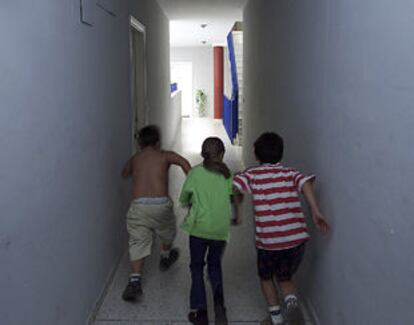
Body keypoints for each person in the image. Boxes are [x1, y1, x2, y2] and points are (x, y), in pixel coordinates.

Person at [233, 132, 330, 325]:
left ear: (256, 155)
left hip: (269, 243)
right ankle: (292, 307)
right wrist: (315, 211)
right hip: (296, 240)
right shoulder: (289, 172)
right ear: (281, 153)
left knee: (267, 278)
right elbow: (306, 183)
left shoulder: (252, 174)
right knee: (285, 278)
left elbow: (234, 186)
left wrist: (236, 201)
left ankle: (276, 318)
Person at [121, 125, 191, 301]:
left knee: (138, 241)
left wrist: (135, 166)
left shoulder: (136, 158)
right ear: (158, 143)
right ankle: (165, 256)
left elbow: (125, 172)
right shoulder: (165, 155)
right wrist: (191, 184)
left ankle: (135, 281)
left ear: (139, 143)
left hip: (138, 206)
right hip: (161, 205)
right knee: (167, 230)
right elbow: (184, 162)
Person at [179, 137, 238, 325]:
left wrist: (187, 202)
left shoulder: (195, 173)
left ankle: (201, 312)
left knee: (197, 267)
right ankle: (220, 307)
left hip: (198, 229)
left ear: (202, 153)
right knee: (214, 266)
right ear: (222, 154)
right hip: (220, 230)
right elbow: (232, 197)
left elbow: (184, 197)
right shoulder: (227, 175)